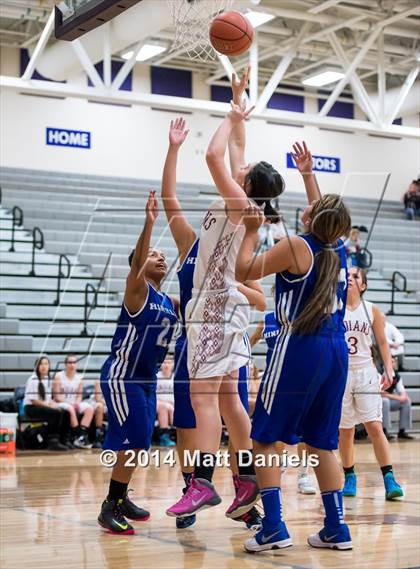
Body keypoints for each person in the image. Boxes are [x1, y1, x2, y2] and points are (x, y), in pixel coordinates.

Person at [166, 90, 285, 521]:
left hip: (214, 308)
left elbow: (215, 155)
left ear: (248, 183)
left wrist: (228, 115)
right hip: (228, 308)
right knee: (231, 401)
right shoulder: (248, 202)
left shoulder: (238, 202)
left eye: (247, 169)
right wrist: (239, 109)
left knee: (203, 400)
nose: (243, 162)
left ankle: (201, 484)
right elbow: (234, 148)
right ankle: (247, 478)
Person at [236, 140, 354, 552]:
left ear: (312, 217)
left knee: (264, 436)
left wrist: (251, 232)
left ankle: (273, 527)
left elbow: (244, 269)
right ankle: (336, 527)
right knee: (322, 441)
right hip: (336, 349)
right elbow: (324, 213)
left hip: (299, 346)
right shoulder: (339, 249)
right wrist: (307, 173)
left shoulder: (294, 247)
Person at [97, 191, 178, 535]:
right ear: (140, 263)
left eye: (163, 255)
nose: (160, 258)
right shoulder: (137, 289)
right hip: (123, 374)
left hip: (146, 378)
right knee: (131, 440)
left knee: (142, 441)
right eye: (153, 255)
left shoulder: (169, 301)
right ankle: (109, 506)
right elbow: (139, 259)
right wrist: (150, 223)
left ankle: (120, 496)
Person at [339, 268, 404, 501]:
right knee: (345, 431)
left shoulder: (372, 310)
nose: (350, 279)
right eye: (348, 276)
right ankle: (349, 476)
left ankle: (389, 479)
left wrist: (389, 368)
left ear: (364, 285)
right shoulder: (334, 308)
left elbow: (383, 343)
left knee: (374, 427)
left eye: (356, 276)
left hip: (366, 371)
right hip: (341, 374)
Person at [250, 303, 316, 495]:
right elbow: (250, 341)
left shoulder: (303, 317)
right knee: (276, 431)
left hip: (301, 381)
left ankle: (304, 474)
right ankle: (276, 469)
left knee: (303, 431)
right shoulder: (268, 319)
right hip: (274, 381)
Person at [23, 356, 70, 451]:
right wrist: (50, 406)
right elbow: (34, 401)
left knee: (65, 412)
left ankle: (64, 440)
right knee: (55, 413)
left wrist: (56, 405)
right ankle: (53, 441)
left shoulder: (47, 379)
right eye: (41, 364)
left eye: (46, 364)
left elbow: (48, 400)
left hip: (42, 406)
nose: (43, 366)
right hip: (31, 408)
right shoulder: (33, 379)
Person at [52, 354, 95, 449]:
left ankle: (81, 435)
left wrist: (77, 403)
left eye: (74, 362)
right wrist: (71, 404)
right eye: (70, 362)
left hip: (74, 403)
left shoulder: (80, 378)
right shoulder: (59, 376)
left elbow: (79, 395)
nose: (72, 365)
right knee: (70, 408)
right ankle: (78, 436)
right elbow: (56, 396)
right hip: (60, 403)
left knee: (89, 408)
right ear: (65, 364)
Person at [382, 356, 413, 440]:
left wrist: (389, 395)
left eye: (393, 362)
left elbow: (403, 395)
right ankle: (384, 431)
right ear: (385, 363)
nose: (392, 364)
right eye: (390, 362)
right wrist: (392, 396)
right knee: (385, 401)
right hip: (376, 402)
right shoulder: (378, 373)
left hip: (388, 399)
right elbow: (379, 393)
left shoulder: (397, 376)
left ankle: (402, 431)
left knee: (407, 401)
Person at [156, 358, 176, 447]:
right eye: (164, 362)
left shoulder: (175, 377)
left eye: (169, 362)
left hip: (172, 404)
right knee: (164, 407)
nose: (167, 365)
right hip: (157, 403)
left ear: (173, 365)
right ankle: (164, 437)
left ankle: (176, 434)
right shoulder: (156, 377)